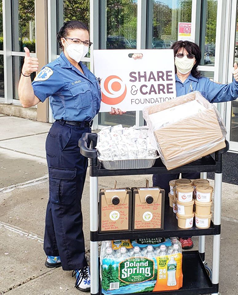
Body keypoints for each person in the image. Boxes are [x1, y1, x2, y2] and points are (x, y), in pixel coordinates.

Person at [18, 20, 124, 292]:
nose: (81, 46)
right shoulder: (54, 70)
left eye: (85, 42)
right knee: (67, 203)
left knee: (62, 196)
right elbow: (28, 101)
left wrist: (113, 106)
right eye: (76, 40)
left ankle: (54, 251)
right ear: (63, 41)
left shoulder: (84, 70)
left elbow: (92, 100)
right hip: (64, 138)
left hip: (83, 136)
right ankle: (78, 265)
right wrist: (26, 74)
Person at [152, 40, 238, 249]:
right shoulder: (161, 81)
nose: (184, 60)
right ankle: (160, 229)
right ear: (172, 58)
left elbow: (227, 92)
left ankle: (185, 231)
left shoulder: (202, 84)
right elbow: (142, 100)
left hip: (194, 148)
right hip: (165, 146)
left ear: (195, 60)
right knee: (161, 186)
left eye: (189, 56)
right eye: (179, 55)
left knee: (189, 188)